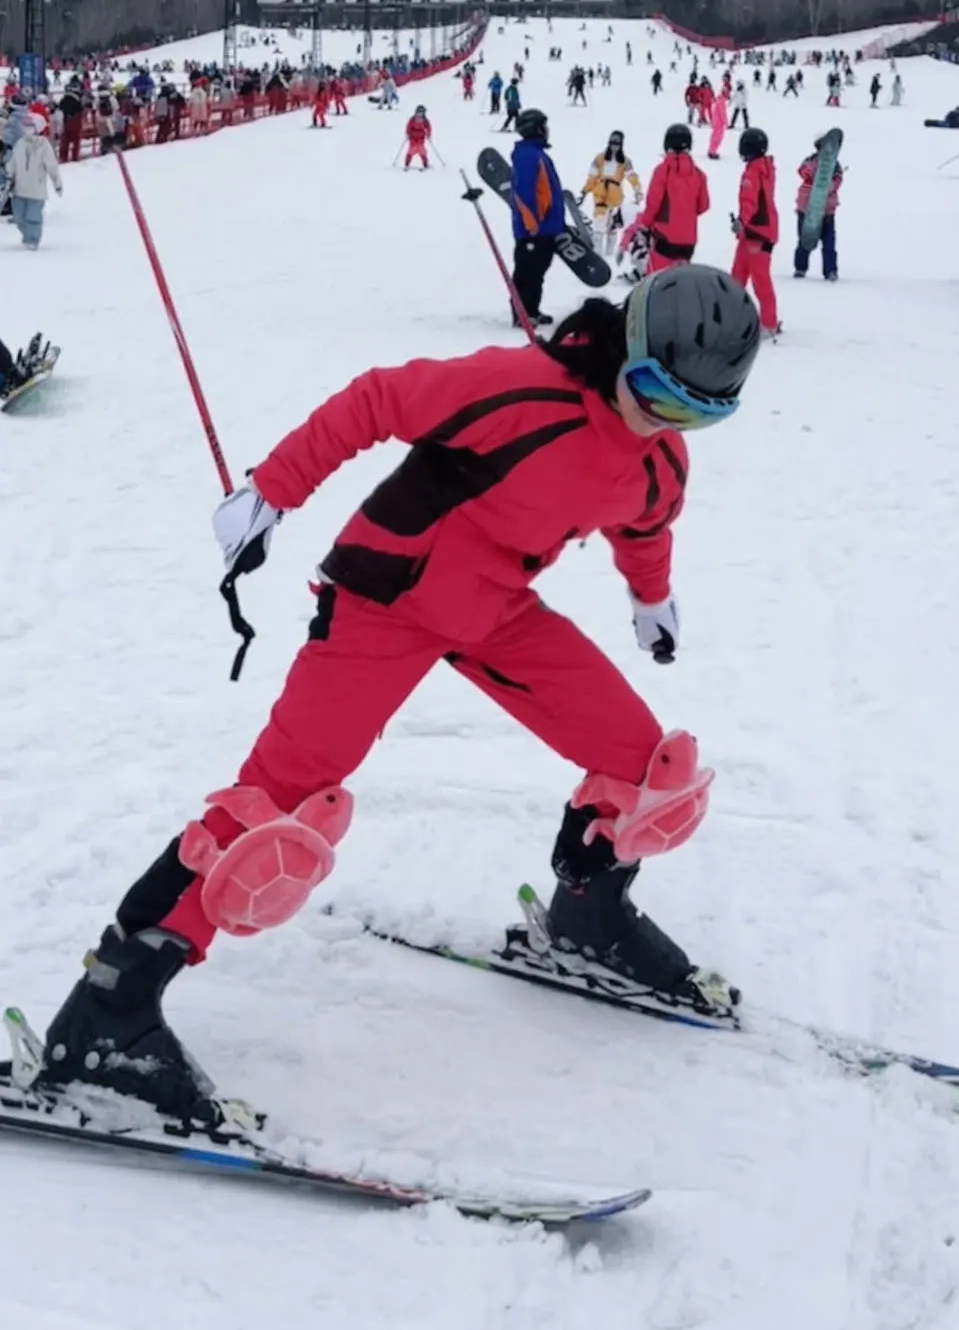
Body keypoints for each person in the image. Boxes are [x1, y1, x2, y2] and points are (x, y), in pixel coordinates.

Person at [36, 267, 761, 1125]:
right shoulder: (519, 391)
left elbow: (645, 527)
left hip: (495, 608)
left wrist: (651, 600)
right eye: (653, 394)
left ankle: (587, 918)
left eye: (694, 414)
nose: (662, 421)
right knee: (275, 812)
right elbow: (376, 399)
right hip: (387, 595)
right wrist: (271, 491)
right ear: (624, 346)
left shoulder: (659, 462)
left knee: (648, 772)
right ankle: (106, 1013)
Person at [509, 107, 564, 327]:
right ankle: (523, 313)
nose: (547, 130)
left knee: (537, 272)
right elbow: (525, 193)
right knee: (527, 273)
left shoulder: (535, 153)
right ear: (536, 129)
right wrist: (532, 225)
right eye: (544, 126)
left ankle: (531, 309)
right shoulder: (528, 155)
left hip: (544, 228)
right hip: (535, 230)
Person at [640, 123, 710, 273]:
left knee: (658, 279)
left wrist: (644, 225)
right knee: (680, 280)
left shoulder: (662, 171)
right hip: (688, 240)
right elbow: (703, 206)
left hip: (664, 237)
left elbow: (653, 203)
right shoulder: (699, 174)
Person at [731, 128, 779, 340]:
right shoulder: (765, 168)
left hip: (758, 232)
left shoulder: (753, 171)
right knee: (737, 276)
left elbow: (750, 200)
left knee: (760, 279)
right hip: (754, 231)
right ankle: (731, 318)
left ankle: (769, 322)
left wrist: (741, 221)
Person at [581, 131, 642, 258]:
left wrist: (637, 190)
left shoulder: (625, 161)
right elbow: (592, 177)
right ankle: (597, 255)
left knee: (612, 227)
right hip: (600, 194)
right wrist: (584, 191)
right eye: (613, 143)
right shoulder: (599, 159)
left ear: (621, 145)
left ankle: (609, 256)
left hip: (615, 197)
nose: (615, 146)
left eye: (617, 144)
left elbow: (632, 177)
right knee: (599, 224)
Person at [8, 112, 63, 249]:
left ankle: (32, 240)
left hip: (36, 190)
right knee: (19, 216)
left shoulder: (44, 146)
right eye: (25, 126)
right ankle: (27, 235)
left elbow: (52, 166)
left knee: (33, 217)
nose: (27, 129)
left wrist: (57, 183)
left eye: (30, 126)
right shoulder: (20, 143)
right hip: (19, 189)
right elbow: (13, 162)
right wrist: (9, 176)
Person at [793, 137, 843, 281]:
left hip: (827, 210)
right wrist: (814, 172)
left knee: (829, 242)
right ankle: (800, 267)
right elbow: (802, 171)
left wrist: (829, 185)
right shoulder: (810, 161)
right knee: (805, 239)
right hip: (806, 208)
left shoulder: (835, 165)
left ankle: (830, 270)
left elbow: (838, 180)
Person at [403, 105, 431, 170]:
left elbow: (428, 127)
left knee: (422, 151)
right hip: (413, 138)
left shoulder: (425, 120)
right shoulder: (412, 119)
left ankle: (425, 164)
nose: (419, 115)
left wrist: (428, 135)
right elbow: (408, 126)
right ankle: (407, 163)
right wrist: (407, 133)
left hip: (421, 138)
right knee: (411, 150)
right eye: (418, 113)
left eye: (421, 113)